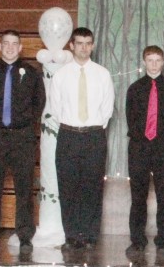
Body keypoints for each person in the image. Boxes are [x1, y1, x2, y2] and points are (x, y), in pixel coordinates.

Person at [0, 30, 45, 253]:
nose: (11, 47)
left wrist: (22, 124)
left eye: (15, 44)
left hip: (23, 137)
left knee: (24, 188)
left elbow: (38, 103)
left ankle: (24, 237)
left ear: (21, 47)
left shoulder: (32, 74)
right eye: (6, 43)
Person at [48, 27, 115, 250]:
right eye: (79, 43)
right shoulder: (61, 75)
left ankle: (89, 235)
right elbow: (56, 108)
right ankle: (72, 235)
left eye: (88, 43)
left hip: (94, 135)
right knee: (68, 186)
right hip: (68, 135)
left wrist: (91, 128)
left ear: (93, 45)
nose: (84, 47)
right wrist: (73, 126)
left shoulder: (103, 74)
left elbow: (107, 109)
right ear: (71, 45)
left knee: (92, 187)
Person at [125, 46, 164, 256]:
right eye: (150, 60)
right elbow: (130, 117)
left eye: (158, 60)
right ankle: (137, 239)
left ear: (163, 62)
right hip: (139, 148)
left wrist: (163, 140)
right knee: (138, 194)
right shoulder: (135, 89)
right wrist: (142, 139)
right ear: (144, 62)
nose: (154, 64)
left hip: (163, 149)